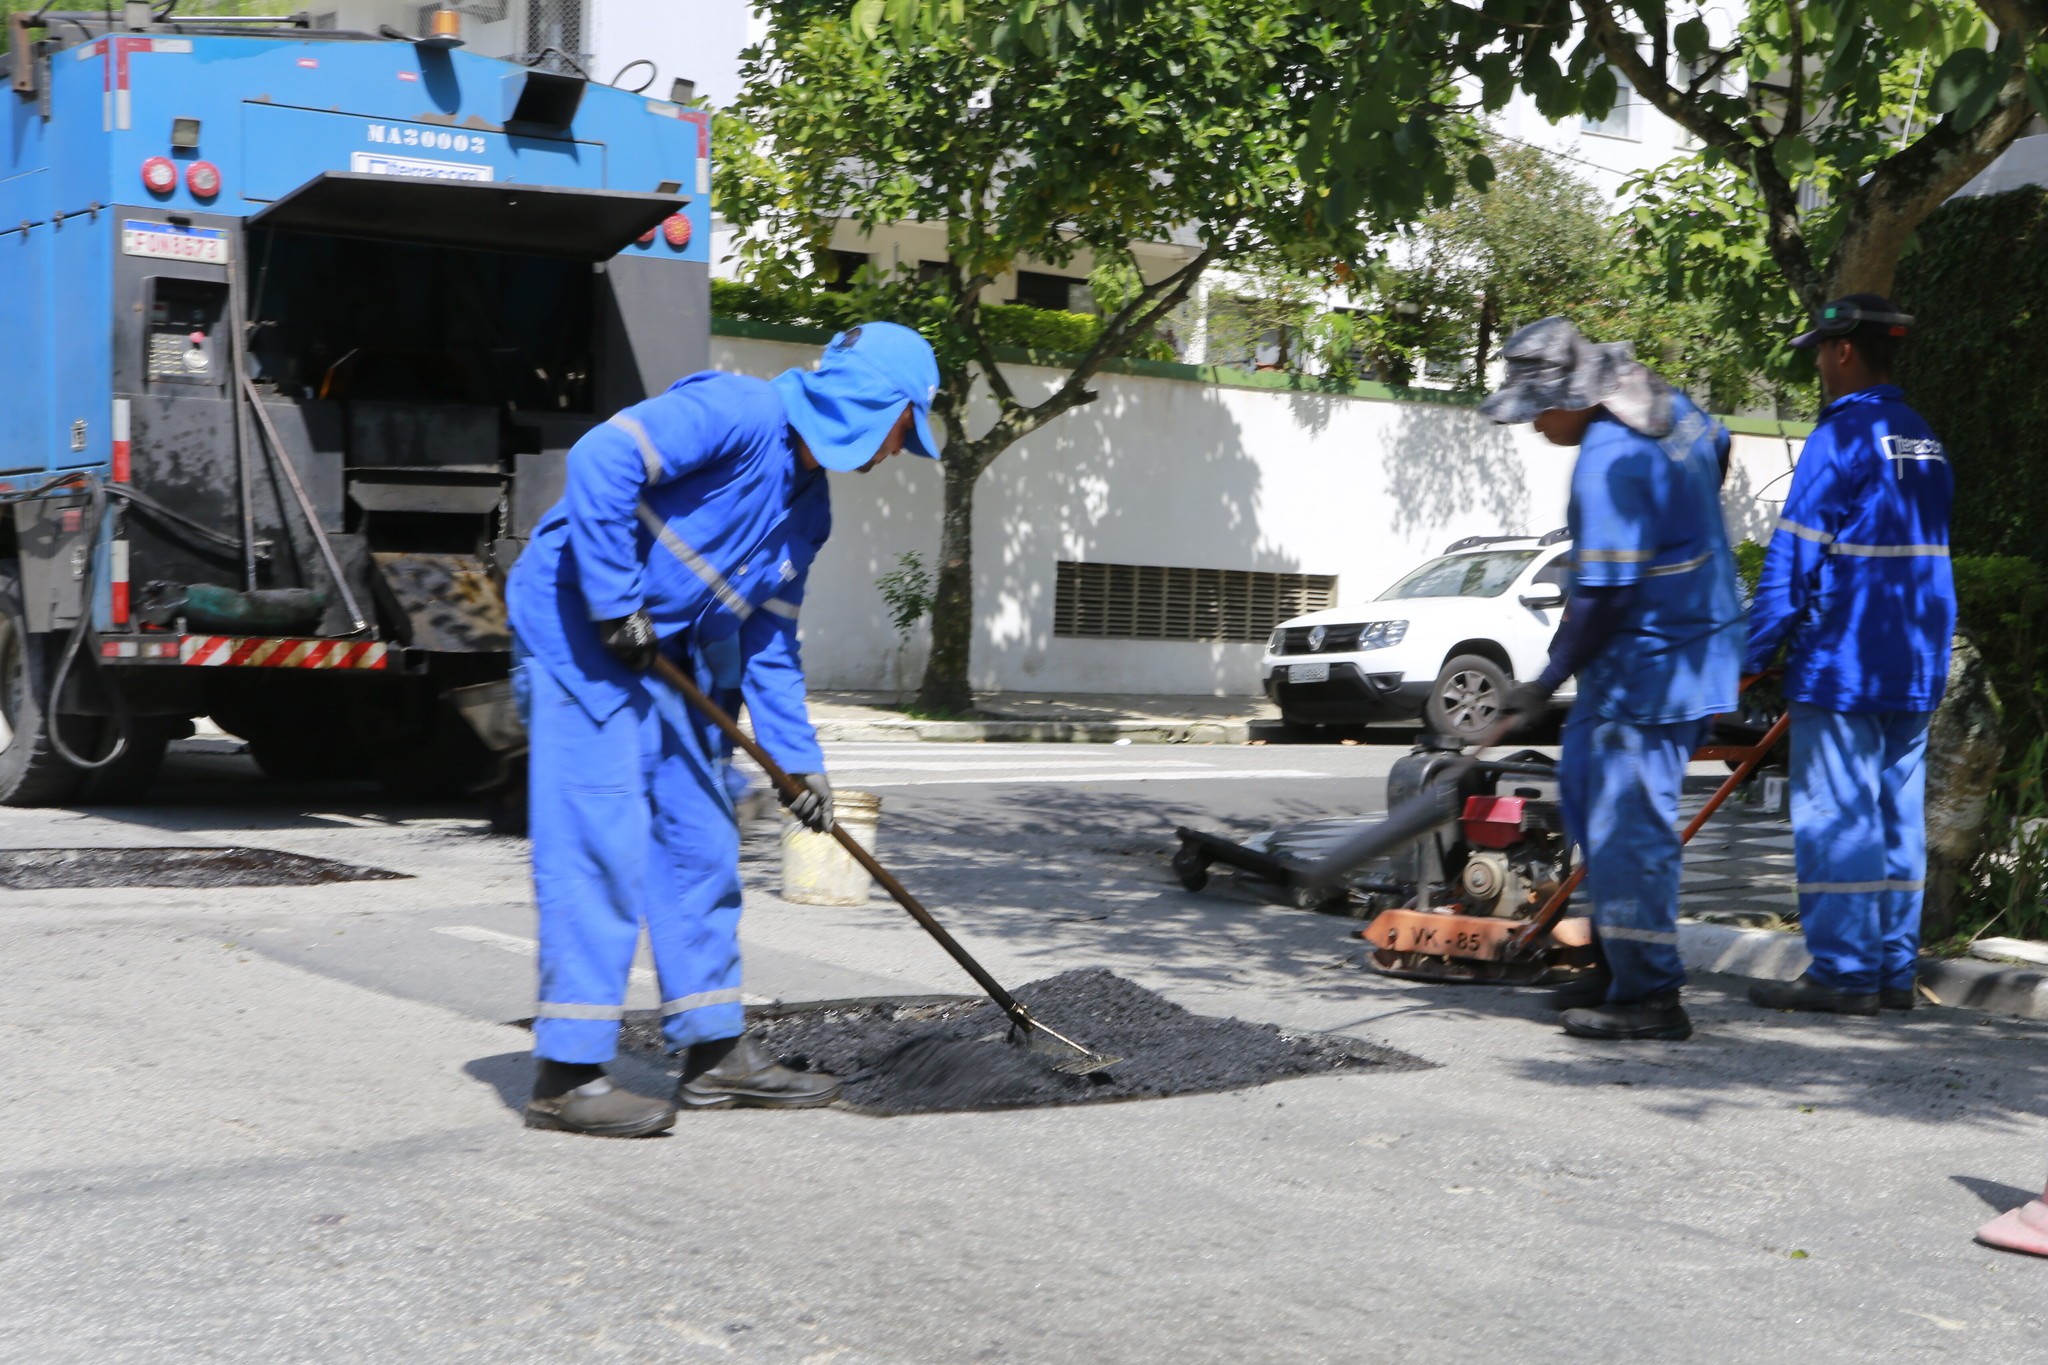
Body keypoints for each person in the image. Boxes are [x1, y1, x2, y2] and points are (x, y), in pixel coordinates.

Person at [507, 322, 942, 1137]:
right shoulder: (739, 411)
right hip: (577, 626)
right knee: (600, 837)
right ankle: (564, 1075)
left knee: (700, 834)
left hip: (662, 652)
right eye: (901, 428)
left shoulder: (808, 509)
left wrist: (797, 766)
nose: (897, 451)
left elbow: (769, 637)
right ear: (872, 403)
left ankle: (713, 1055)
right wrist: (612, 600)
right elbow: (601, 458)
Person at [1483, 317, 1743, 1042]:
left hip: (1659, 659)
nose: (1534, 425)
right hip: (1667, 644)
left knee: (1629, 826)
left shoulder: (1608, 459)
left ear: (1571, 392)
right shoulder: (1665, 401)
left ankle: (1652, 996)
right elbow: (1719, 446)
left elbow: (1601, 593)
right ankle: (1614, 960)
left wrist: (1543, 680)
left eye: (1538, 408)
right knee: (1589, 794)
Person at [1743, 295, 1954, 1016]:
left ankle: (1843, 971)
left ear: (1841, 352)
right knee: (1896, 818)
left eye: (1819, 356)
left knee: (1837, 816)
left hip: (1846, 663)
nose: (1818, 370)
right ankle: (1892, 972)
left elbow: (1792, 562)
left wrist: (1749, 654)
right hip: (1916, 665)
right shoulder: (1924, 437)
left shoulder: (1843, 436)